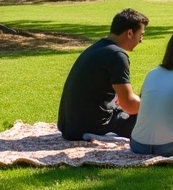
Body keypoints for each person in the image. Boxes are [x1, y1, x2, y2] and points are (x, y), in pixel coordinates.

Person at [57, 9, 148, 140]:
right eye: (141, 34)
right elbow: (129, 104)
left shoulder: (99, 47)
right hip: (91, 126)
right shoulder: (116, 55)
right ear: (129, 33)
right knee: (153, 119)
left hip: (70, 125)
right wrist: (154, 106)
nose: (141, 40)